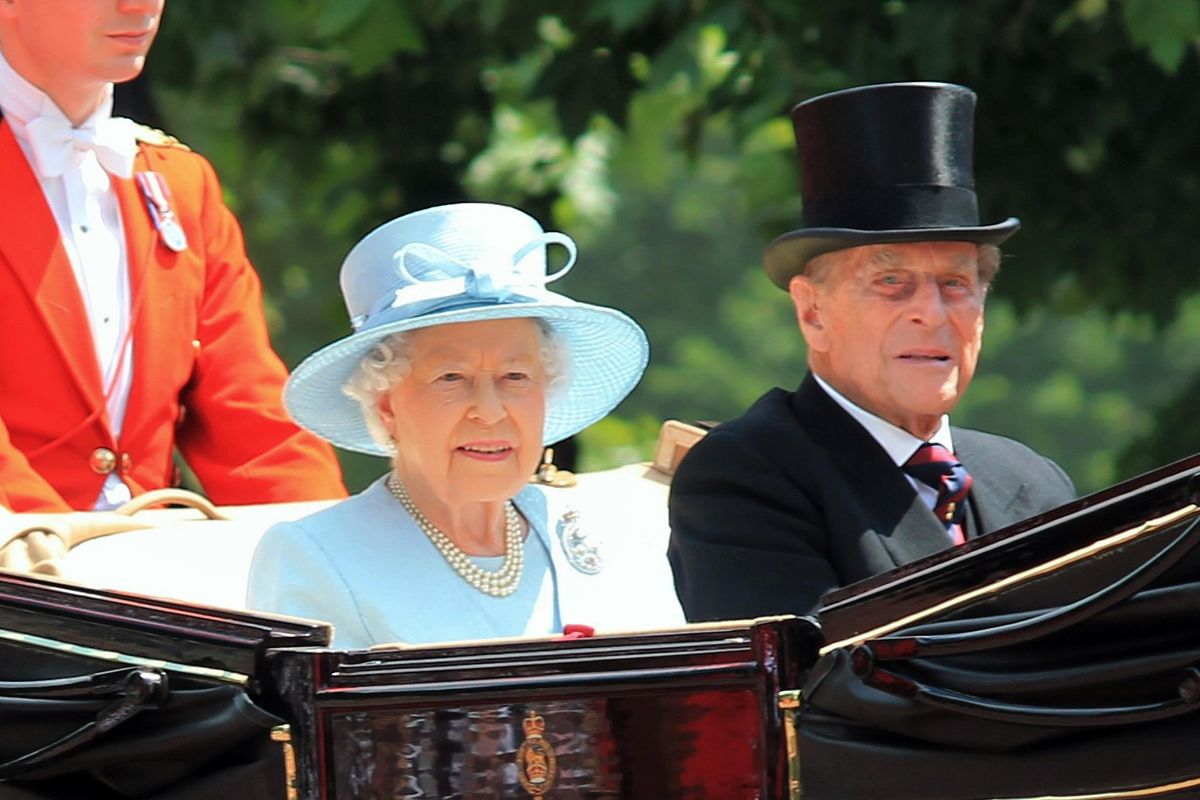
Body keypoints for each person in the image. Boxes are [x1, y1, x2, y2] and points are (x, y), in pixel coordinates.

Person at [667, 82, 1077, 622]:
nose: (931, 313)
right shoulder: (746, 477)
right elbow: (821, 692)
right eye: (891, 281)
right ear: (812, 312)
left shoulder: (1032, 481)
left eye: (955, 283)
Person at [247, 203, 685, 647]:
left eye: (515, 377)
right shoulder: (316, 555)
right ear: (387, 406)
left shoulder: (618, 539)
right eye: (451, 378)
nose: (490, 411)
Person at [0, 0, 346, 511]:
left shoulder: (181, 184)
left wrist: (330, 553)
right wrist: (58, 562)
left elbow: (253, 423)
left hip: (144, 570)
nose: (138, 6)